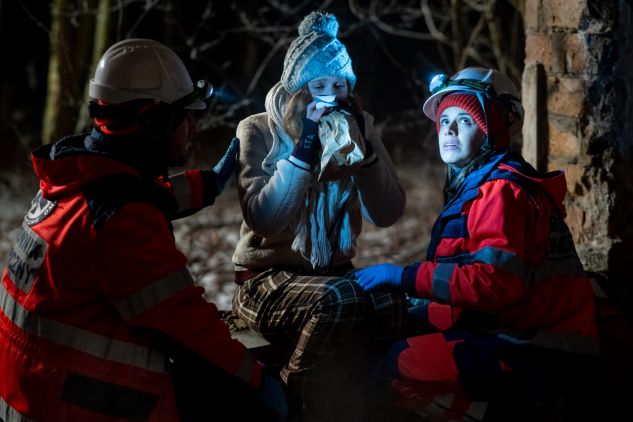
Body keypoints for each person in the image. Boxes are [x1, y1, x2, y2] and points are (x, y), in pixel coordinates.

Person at [0, 38, 286, 421]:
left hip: (28, 389)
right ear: (153, 122)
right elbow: (185, 324)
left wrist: (206, 184)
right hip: (73, 403)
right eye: (185, 116)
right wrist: (257, 382)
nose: (194, 127)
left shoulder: (72, 184)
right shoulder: (120, 220)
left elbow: (132, 195)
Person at [354, 67, 601, 421]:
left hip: (540, 354)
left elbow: (493, 283)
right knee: (399, 330)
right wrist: (412, 309)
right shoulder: (483, 183)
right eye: (445, 120)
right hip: (528, 340)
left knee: (396, 364)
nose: (449, 130)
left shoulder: (501, 191)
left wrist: (402, 276)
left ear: (495, 131)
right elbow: (473, 287)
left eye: (466, 120)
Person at [230, 10, 408, 422]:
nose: (329, 95)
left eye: (338, 85)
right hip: (267, 278)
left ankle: (363, 404)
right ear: (298, 91)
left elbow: (388, 213)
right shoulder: (257, 130)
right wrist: (304, 150)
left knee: (392, 301)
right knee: (342, 298)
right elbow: (264, 219)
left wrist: (365, 158)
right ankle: (292, 400)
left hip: (332, 273)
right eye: (318, 86)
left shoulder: (357, 127)